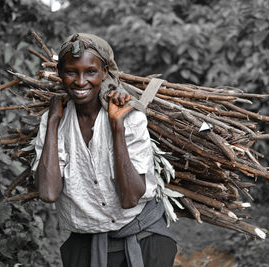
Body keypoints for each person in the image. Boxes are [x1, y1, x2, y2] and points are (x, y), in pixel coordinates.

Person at [32, 33, 177, 267]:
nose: (80, 81)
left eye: (90, 71)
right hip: (84, 242)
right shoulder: (53, 121)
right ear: (60, 73)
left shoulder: (130, 118)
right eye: (71, 72)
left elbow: (130, 198)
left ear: (104, 73)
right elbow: (48, 193)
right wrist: (52, 122)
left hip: (143, 238)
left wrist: (117, 127)